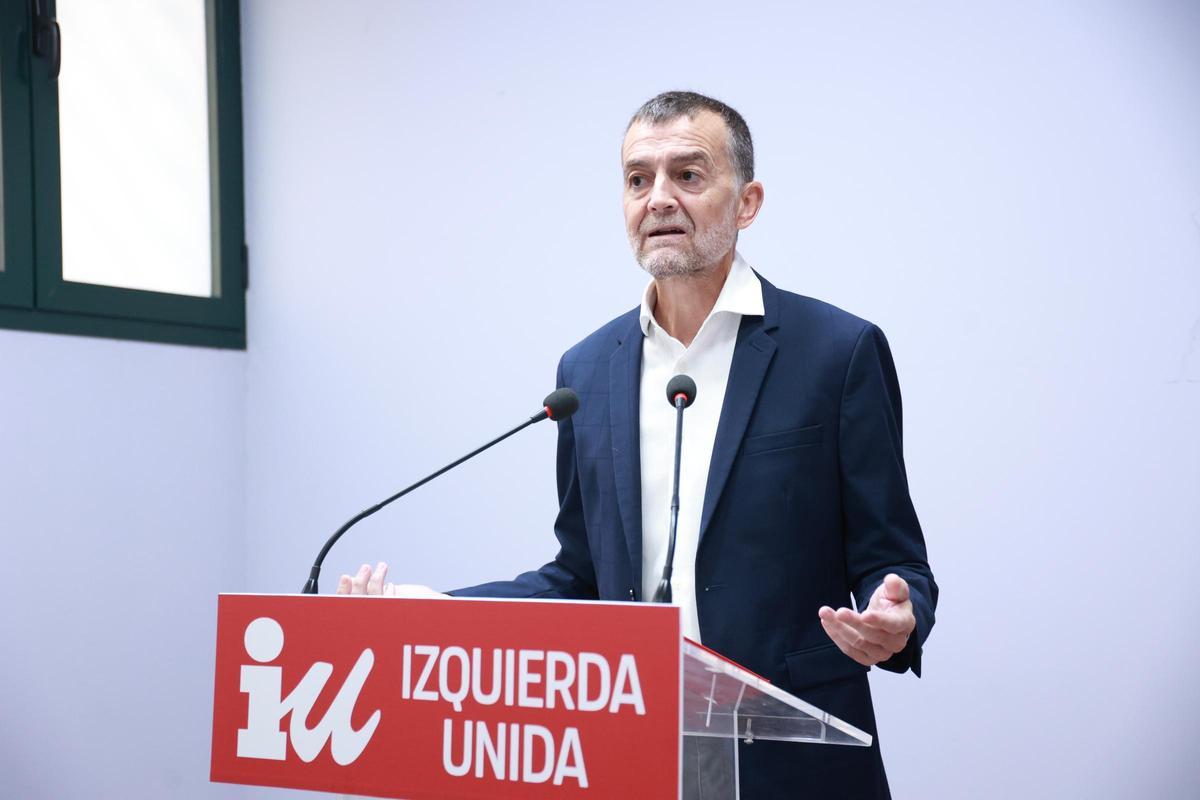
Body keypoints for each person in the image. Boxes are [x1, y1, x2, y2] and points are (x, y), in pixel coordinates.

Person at [340, 91, 937, 799]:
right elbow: (580, 577)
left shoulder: (836, 353)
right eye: (637, 180)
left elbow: (892, 557)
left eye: (687, 175)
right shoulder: (586, 371)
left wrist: (896, 615)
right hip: (631, 755)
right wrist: (432, 608)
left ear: (747, 203)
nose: (657, 199)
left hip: (793, 765)